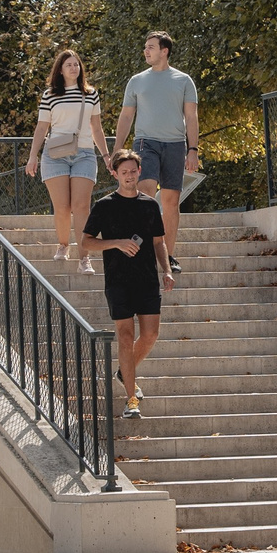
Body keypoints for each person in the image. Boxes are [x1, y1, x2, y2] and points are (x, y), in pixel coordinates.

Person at [82, 148, 170, 418]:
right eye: (124, 172)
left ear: (139, 172)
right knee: (125, 336)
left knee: (151, 335)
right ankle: (131, 399)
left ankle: (124, 371)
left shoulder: (150, 205)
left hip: (146, 280)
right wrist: (117, 243)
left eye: (133, 171)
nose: (129, 176)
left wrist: (166, 270)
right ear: (115, 174)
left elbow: (159, 242)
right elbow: (85, 242)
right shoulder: (105, 206)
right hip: (118, 281)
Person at [111, 30, 199, 277]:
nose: (146, 51)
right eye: (145, 47)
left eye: (151, 47)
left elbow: (191, 116)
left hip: (175, 144)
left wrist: (193, 149)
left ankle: (168, 257)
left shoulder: (183, 80)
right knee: (146, 192)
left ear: (164, 51)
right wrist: (118, 148)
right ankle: (143, 250)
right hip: (145, 143)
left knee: (171, 202)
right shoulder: (136, 81)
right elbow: (126, 116)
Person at [26, 48, 106, 264]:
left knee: (81, 206)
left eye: (77, 64)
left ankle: (84, 257)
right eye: (69, 64)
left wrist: (107, 155)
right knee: (62, 207)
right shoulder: (49, 95)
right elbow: (42, 128)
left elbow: (97, 128)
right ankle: (63, 245)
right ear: (60, 70)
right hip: (55, 155)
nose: (74, 68)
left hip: (84, 154)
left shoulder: (91, 93)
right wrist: (32, 156)